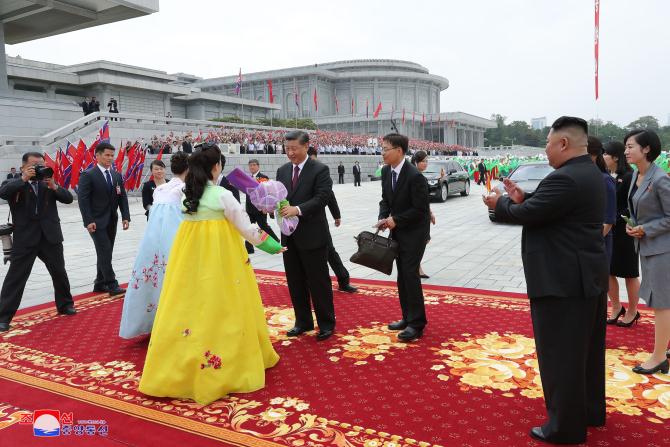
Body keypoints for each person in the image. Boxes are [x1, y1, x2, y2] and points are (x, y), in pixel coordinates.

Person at [483, 116, 608, 444]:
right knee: (587, 353)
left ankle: (565, 427)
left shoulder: (565, 178)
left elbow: (526, 215)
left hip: (562, 281)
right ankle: (591, 410)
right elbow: (547, 209)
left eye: (548, 144)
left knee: (561, 356)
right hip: (585, 276)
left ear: (563, 144)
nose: (546, 151)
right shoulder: (589, 172)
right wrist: (524, 197)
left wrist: (502, 204)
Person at [138, 144, 283, 405]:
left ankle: (181, 363)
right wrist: (272, 245)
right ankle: (225, 365)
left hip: (189, 260)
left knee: (189, 306)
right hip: (220, 259)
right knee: (223, 305)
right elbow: (246, 228)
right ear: (216, 167)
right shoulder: (222, 195)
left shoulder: (185, 192)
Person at [0, 153, 76, 332]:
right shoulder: (14, 183)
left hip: (50, 236)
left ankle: (65, 304)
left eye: (41, 164)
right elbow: (3, 193)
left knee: (59, 272)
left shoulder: (47, 182)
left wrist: (54, 186)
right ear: (23, 167)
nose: (39, 168)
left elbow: (68, 198)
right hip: (25, 238)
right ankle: (3, 317)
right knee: (16, 277)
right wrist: (24, 178)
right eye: (34, 165)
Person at [119, 153, 188, 339]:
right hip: (176, 238)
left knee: (155, 278)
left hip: (153, 241)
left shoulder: (160, 189)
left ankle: (154, 321)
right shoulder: (184, 189)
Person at [276, 131, 335, 341]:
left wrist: (298, 209)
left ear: (306, 146)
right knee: (295, 281)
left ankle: (326, 323)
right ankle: (302, 321)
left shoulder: (320, 169)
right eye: (287, 148)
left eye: (294, 148)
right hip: (289, 236)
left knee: (318, 282)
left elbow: (322, 197)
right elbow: (279, 199)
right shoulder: (282, 170)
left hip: (312, 235)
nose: (290, 153)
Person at [624, 129, 670, 375]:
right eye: (625, 147)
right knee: (660, 299)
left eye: (631, 146)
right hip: (646, 245)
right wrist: (631, 224)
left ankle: (659, 357)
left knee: (662, 302)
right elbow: (636, 208)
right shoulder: (636, 175)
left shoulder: (660, 178)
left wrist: (646, 228)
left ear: (647, 149)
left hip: (663, 249)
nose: (626, 151)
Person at [376, 133, 430, 342]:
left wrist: (395, 220)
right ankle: (407, 317)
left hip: (415, 232)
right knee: (402, 275)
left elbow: (420, 210)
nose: (382, 153)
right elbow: (385, 200)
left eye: (385, 149)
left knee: (410, 274)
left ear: (399, 151)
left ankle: (417, 324)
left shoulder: (415, 176)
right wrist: (383, 218)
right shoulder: (386, 172)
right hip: (397, 231)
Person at [77, 142, 131, 296]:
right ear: (98, 155)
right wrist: (88, 221)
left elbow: (122, 198)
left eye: (112, 155)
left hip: (111, 220)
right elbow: (83, 200)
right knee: (105, 250)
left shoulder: (116, 175)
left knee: (106, 251)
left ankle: (99, 283)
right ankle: (112, 284)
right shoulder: (88, 175)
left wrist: (125, 216)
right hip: (96, 222)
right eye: (107, 155)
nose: (110, 158)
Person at [308, 147, 357, 294]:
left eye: (313, 159)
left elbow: (330, 195)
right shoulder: (295, 173)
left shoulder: (321, 172)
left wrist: (336, 215)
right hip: (300, 221)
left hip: (318, 221)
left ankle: (343, 280)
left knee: (330, 251)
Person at [602, 141, 640, 326]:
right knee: (609, 271)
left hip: (625, 230)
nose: (602, 158)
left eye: (605, 154)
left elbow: (630, 205)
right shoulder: (607, 175)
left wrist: (614, 217)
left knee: (629, 273)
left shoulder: (630, 176)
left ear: (615, 157)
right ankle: (616, 306)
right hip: (609, 230)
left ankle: (633, 310)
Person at [587, 136, 616, 263]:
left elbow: (608, 220)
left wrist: (593, 242)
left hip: (598, 243)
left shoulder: (604, 179)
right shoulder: (584, 176)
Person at [244, 159, 279, 255]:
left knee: (263, 226)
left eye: (254, 165)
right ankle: (249, 248)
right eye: (250, 165)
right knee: (249, 228)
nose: (252, 167)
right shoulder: (247, 178)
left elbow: (267, 193)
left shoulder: (264, 178)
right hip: (249, 208)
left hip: (260, 208)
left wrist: (267, 208)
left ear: (258, 166)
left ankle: (276, 241)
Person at [410, 150, 436, 279]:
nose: (426, 164)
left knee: (423, 241)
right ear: (416, 162)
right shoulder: (415, 177)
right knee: (420, 241)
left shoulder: (420, 176)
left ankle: (417, 267)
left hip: (424, 214)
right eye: (423, 161)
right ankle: (415, 267)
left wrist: (430, 212)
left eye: (427, 161)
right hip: (418, 216)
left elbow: (424, 199)